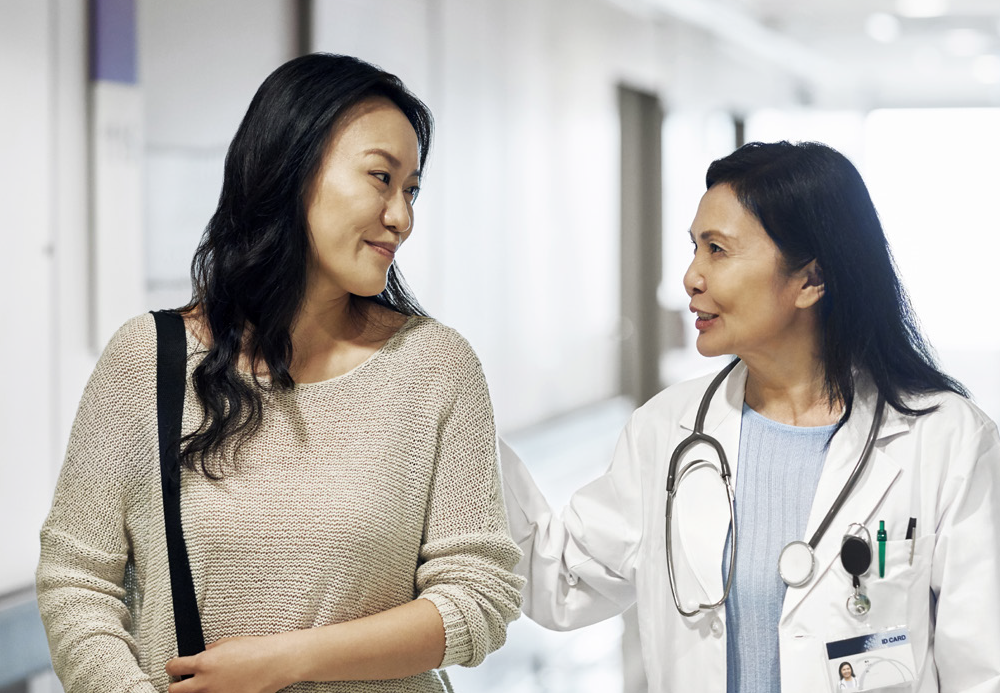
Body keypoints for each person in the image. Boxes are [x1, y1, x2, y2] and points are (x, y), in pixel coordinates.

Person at [36, 53, 523, 693]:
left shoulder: (436, 368)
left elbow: (479, 594)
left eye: (411, 190)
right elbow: (78, 581)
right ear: (290, 169)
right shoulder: (148, 360)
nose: (402, 217)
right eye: (381, 178)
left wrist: (287, 661)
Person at [501, 141, 1000, 692]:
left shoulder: (946, 440)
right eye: (694, 248)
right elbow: (559, 580)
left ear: (810, 280)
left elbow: (982, 669)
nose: (691, 276)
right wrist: (457, 417)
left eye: (717, 249)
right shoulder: (668, 430)